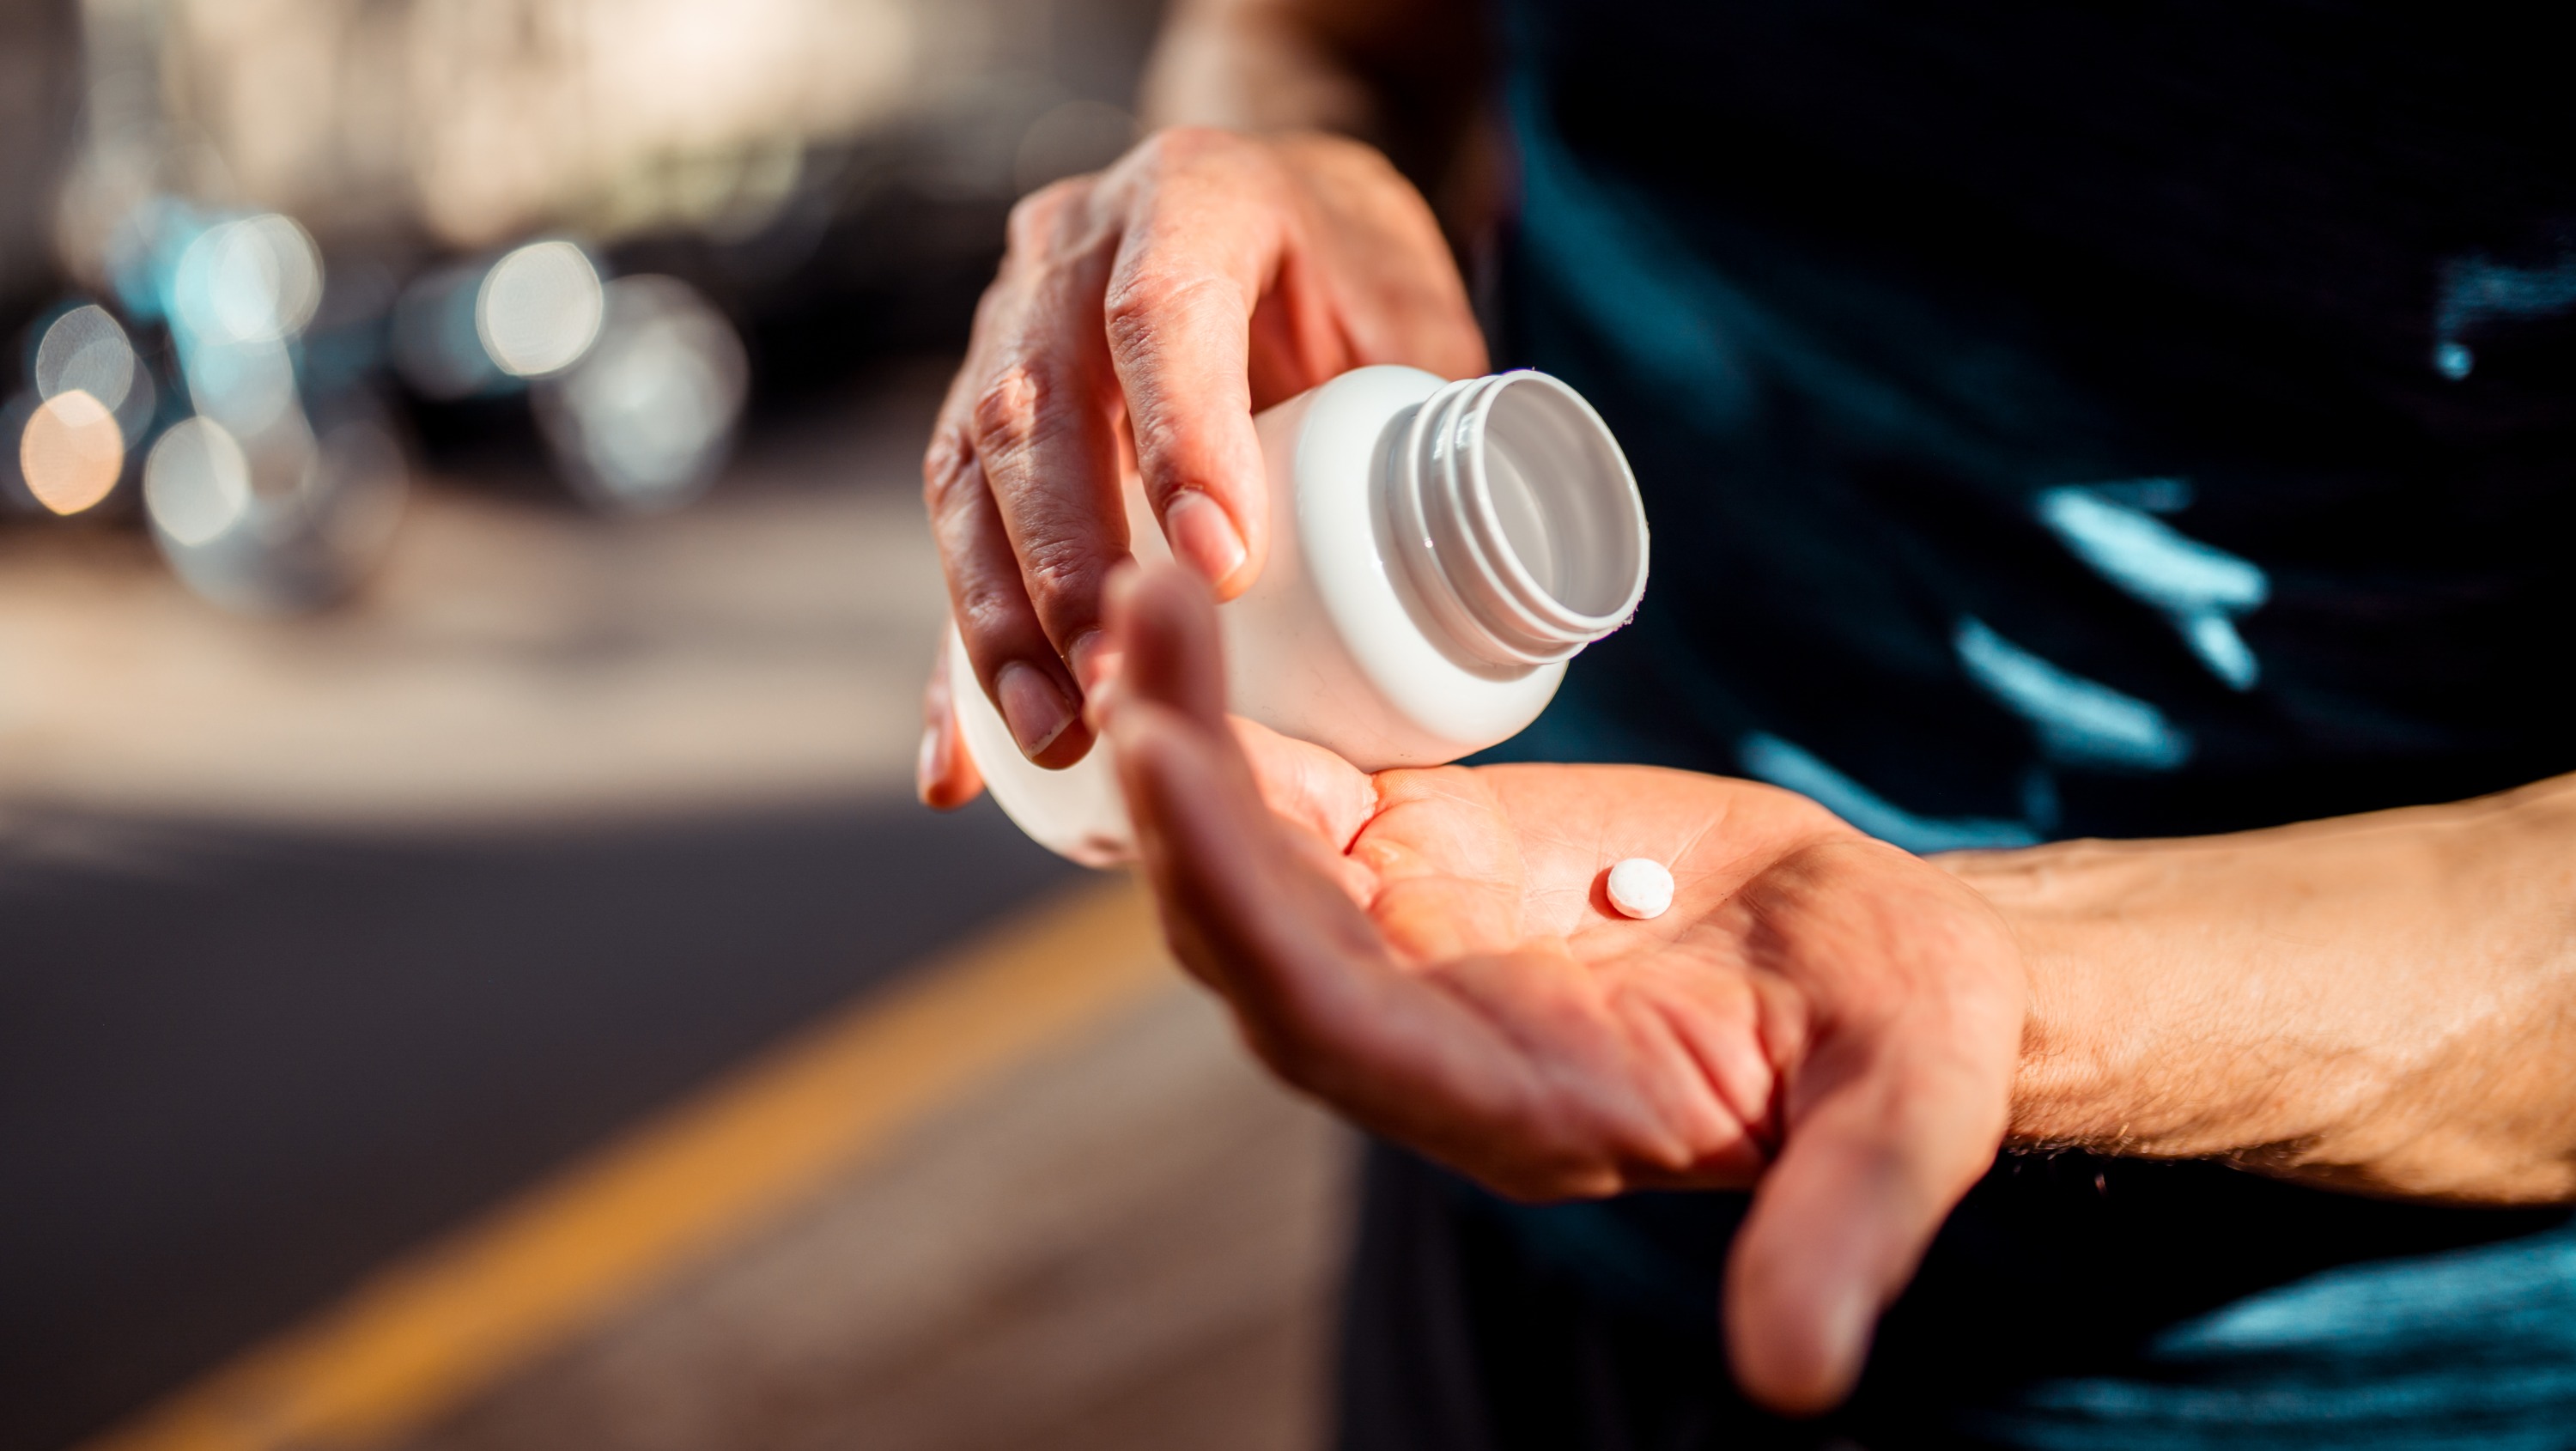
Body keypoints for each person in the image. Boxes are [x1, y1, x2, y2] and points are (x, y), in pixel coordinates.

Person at [918, 1, 2576, 1444]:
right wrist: (1278, 166)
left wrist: (2022, 980)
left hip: (2312, 1363)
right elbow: (1333, 24)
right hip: (1509, 1058)